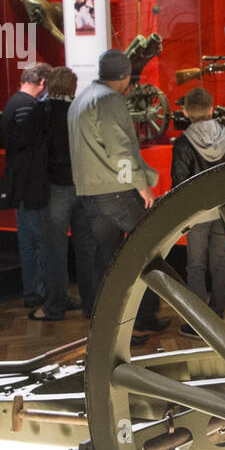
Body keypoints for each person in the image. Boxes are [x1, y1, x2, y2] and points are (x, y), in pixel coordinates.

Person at [68, 48, 166, 335]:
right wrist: (142, 185)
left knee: (106, 260)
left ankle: (110, 330)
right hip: (118, 192)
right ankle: (143, 316)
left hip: (91, 193)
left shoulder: (81, 100)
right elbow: (120, 152)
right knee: (147, 250)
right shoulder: (109, 101)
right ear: (125, 76)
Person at [171, 88, 225, 335]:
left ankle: (198, 322)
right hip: (223, 210)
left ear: (186, 111)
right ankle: (218, 314)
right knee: (220, 264)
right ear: (212, 108)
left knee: (196, 266)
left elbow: (179, 181)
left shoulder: (182, 142)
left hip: (197, 214)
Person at [36, 66, 94, 321]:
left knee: (55, 250)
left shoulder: (43, 112)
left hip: (56, 186)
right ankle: (92, 306)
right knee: (86, 249)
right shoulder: (82, 111)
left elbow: (39, 152)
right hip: (83, 185)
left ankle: (55, 306)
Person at [0, 64, 52, 307]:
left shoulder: (15, 103)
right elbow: (27, 144)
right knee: (39, 241)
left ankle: (33, 292)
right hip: (31, 184)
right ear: (42, 82)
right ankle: (40, 292)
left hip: (21, 183)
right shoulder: (27, 106)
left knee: (28, 241)